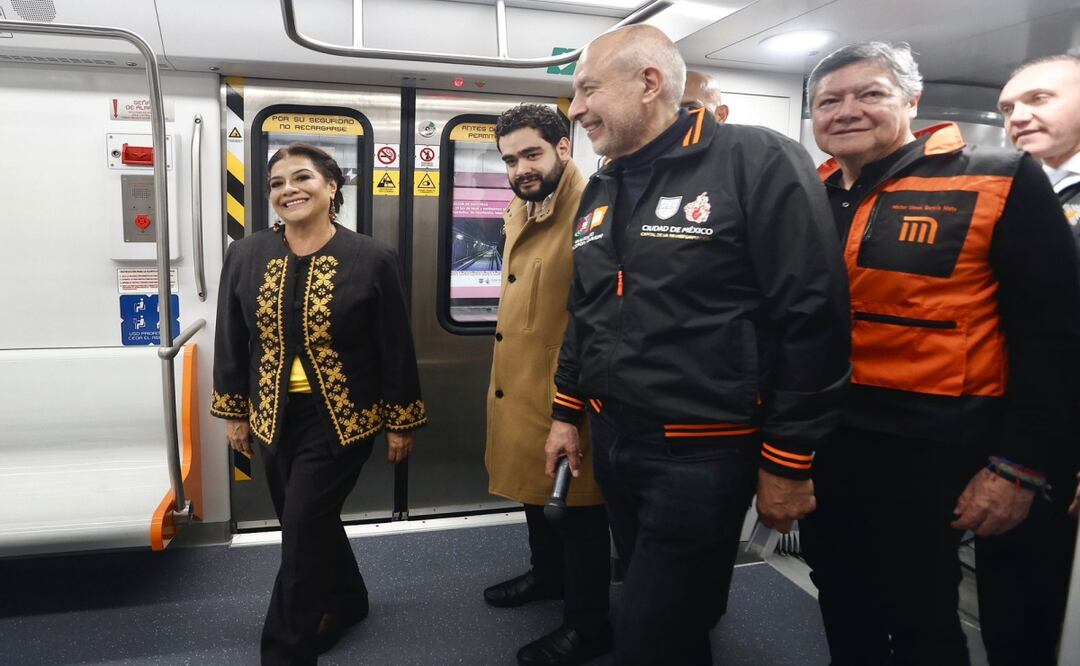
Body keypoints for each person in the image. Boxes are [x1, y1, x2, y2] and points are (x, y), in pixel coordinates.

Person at [544, 24, 851, 665]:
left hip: (702, 454)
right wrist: (566, 411)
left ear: (649, 82)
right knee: (675, 610)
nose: (576, 110)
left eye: (588, 89)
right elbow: (587, 313)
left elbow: (812, 319)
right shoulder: (603, 185)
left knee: (645, 632)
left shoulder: (756, 160)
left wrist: (788, 460)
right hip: (616, 440)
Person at [800, 42, 1080, 665]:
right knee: (839, 587)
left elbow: (1052, 338)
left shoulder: (998, 176)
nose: (846, 111)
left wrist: (1018, 467)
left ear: (911, 100)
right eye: (829, 101)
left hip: (935, 450)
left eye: (869, 94)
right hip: (828, 441)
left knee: (921, 608)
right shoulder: (808, 195)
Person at [211, 142, 427, 665]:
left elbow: (395, 346)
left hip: (341, 420)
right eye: (278, 183)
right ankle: (349, 600)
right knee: (308, 520)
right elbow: (232, 337)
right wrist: (235, 411)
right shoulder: (247, 254)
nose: (289, 190)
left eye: (302, 177)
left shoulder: (371, 258)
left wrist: (401, 421)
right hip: (272, 416)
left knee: (302, 535)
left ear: (332, 187)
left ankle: (285, 651)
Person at [482, 104, 611, 666]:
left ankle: (588, 625)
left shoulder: (596, 208)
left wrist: (571, 404)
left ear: (564, 148)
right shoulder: (525, 203)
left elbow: (599, 315)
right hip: (523, 381)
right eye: (510, 159)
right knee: (537, 497)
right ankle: (547, 576)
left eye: (531, 154)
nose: (520, 169)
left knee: (578, 512)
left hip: (568, 390)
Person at [984, 53, 1080, 664]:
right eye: (1008, 109)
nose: (1018, 117)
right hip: (1019, 444)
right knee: (1015, 616)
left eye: (1039, 99)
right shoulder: (1017, 195)